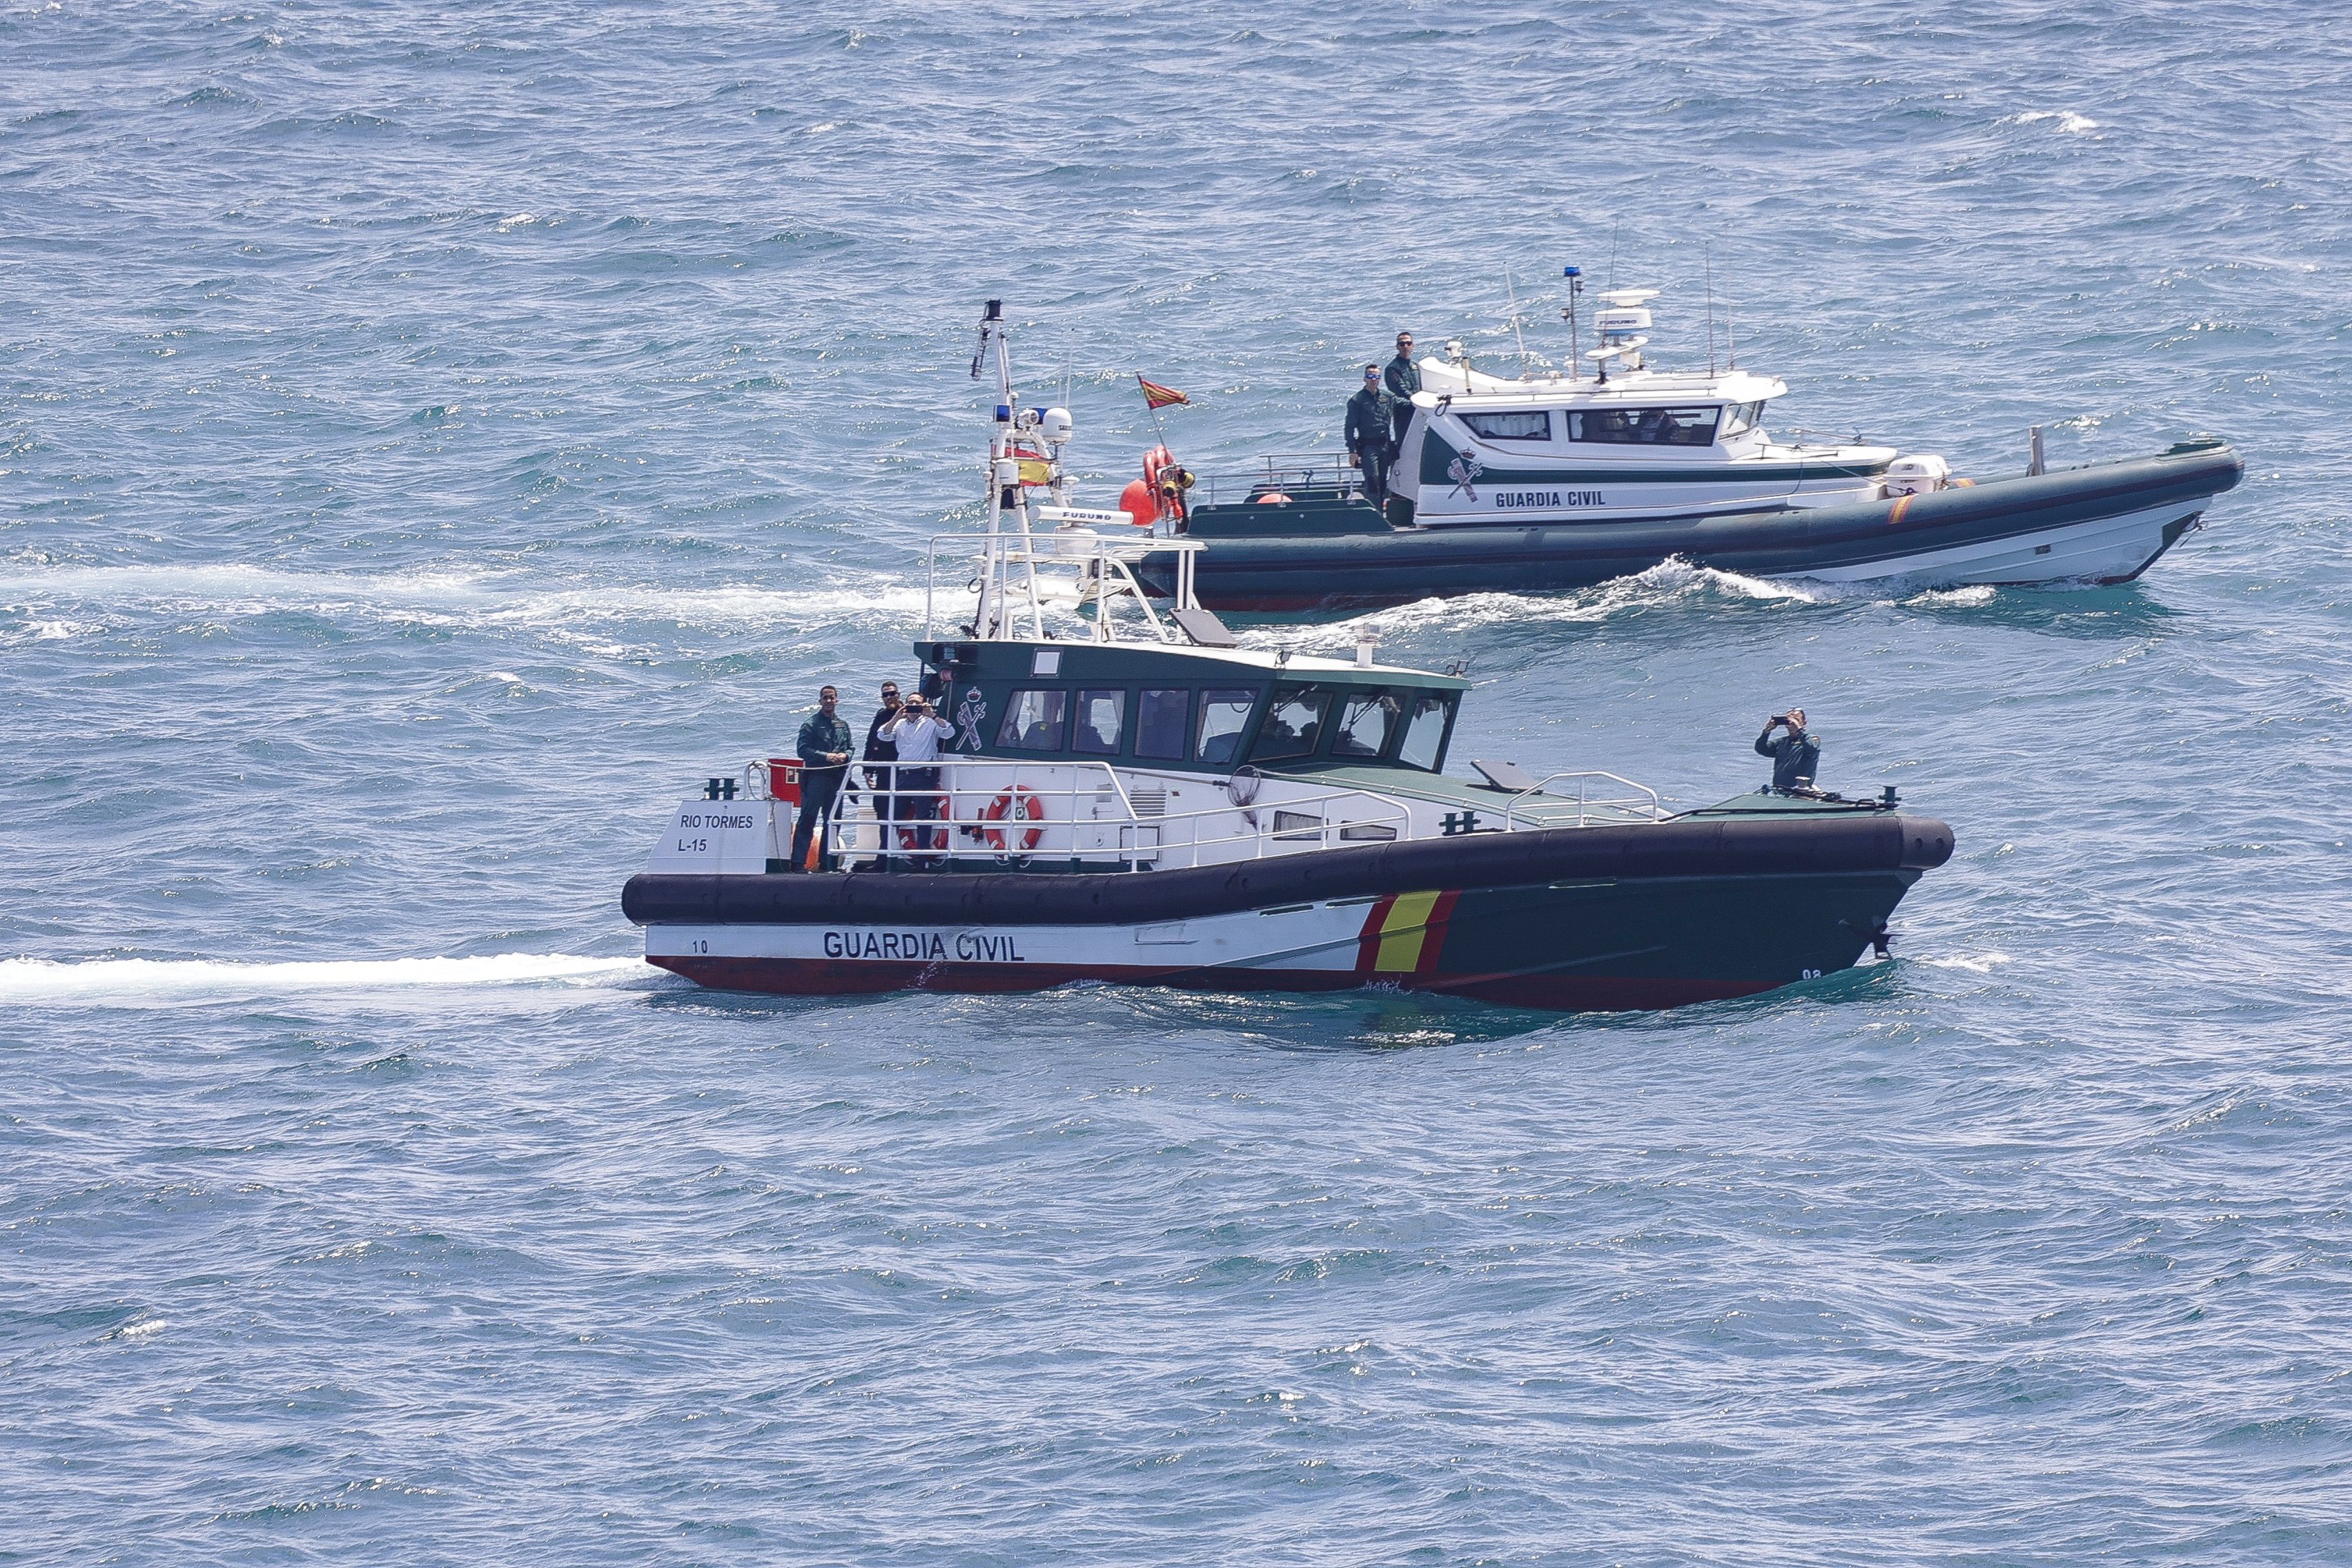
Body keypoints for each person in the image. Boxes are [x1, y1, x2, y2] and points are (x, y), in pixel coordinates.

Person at [882, 692, 955, 866]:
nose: (913, 707)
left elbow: (949, 732)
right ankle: (885, 857)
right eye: (910, 703)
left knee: (923, 817)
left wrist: (933, 715)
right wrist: (895, 717)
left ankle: (922, 858)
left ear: (923, 705)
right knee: (891, 817)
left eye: (917, 704)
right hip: (904, 776)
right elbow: (883, 735)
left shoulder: (930, 723)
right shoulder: (899, 724)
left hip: (924, 776)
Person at [792, 685, 854, 870]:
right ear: (820, 701)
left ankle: (829, 864)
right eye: (825, 698)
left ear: (837, 700)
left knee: (833, 821)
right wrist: (826, 756)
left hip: (837, 779)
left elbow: (850, 747)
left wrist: (846, 756)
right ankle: (798, 863)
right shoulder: (810, 724)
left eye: (831, 698)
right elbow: (802, 750)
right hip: (817, 778)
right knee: (808, 820)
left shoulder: (843, 725)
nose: (828, 701)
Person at [1345, 364, 1393, 507]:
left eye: (1377, 377)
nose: (1374, 380)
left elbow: (1403, 405)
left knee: (1384, 481)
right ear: (1365, 379)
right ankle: (1375, 513)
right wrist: (1352, 451)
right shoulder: (1357, 400)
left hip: (1385, 446)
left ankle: (1381, 511)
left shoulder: (1387, 397)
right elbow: (1349, 428)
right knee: (1373, 480)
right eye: (1371, 377)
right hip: (1368, 447)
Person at [863, 680, 903, 835]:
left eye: (893, 694)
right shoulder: (881, 715)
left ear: (898, 695)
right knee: (880, 807)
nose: (890, 697)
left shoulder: (908, 713)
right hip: (884, 769)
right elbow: (871, 741)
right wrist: (867, 769)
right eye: (886, 695)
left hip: (902, 768)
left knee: (899, 809)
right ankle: (883, 853)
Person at [1754, 707, 1822, 792]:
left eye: (1796, 719)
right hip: (1779, 789)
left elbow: (1812, 749)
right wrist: (1767, 731)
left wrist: (1799, 729)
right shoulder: (1782, 742)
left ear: (1804, 723)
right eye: (1789, 720)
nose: (1792, 723)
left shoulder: (1812, 739)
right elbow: (1761, 749)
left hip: (1800, 791)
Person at [1382, 331, 1420, 449]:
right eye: (1402, 344)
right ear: (1397, 347)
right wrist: (1417, 401)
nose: (1405, 347)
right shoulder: (1392, 368)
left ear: (1412, 346)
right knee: (1405, 444)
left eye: (1408, 343)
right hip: (1403, 412)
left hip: (1418, 411)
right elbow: (1401, 389)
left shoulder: (1415, 366)